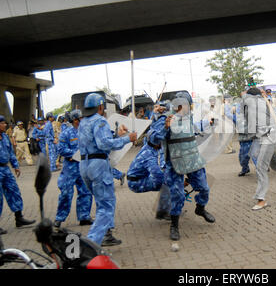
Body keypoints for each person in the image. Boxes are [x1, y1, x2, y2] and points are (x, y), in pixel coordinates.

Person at [149, 91, 215, 241]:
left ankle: (200, 208)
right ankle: (174, 225)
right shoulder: (166, 118)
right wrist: (165, 128)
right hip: (174, 161)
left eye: (188, 105)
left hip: (192, 159)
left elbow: (194, 128)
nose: (187, 108)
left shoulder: (189, 117)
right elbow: (152, 138)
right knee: (177, 195)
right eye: (184, 105)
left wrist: (208, 123)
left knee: (204, 188)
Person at [78, 93, 137, 247]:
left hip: (84, 165)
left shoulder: (83, 122)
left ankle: (107, 234)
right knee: (106, 205)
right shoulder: (100, 120)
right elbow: (104, 144)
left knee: (101, 201)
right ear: (100, 106)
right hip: (98, 165)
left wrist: (117, 134)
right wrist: (126, 139)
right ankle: (91, 244)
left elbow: (96, 139)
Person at [127, 102, 171, 220]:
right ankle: (163, 212)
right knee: (167, 183)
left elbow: (153, 128)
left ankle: (165, 209)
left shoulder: (148, 146)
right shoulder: (149, 156)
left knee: (167, 181)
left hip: (137, 177)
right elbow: (158, 176)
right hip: (136, 183)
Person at [54, 109, 94, 228]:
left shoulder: (87, 133)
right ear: (75, 120)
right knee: (66, 193)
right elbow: (61, 149)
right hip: (70, 169)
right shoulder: (66, 133)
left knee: (86, 192)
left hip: (84, 167)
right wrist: (73, 154)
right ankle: (59, 218)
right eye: (80, 119)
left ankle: (84, 217)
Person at [0, 115, 36, 235]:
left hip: (5, 169)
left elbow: (10, 152)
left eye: (5, 123)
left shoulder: (4, 137)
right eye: (3, 123)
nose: (5, 125)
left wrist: (15, 165)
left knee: (14, 191)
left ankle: (19, 218)